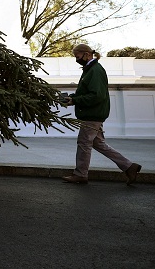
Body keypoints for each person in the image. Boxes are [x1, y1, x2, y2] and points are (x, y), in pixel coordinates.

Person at [60, 43, 142, 185]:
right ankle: (129, 167)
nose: (76, 60)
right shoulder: (91, 69)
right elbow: (88, 93)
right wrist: (72, 99)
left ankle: (80, 174)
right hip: (93, 113)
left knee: (84, 143)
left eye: (77, 56)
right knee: (98, 144)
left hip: (92, 114)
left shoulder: (95, 70)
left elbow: (96, 96)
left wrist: (75, 100)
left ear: (86, 54)